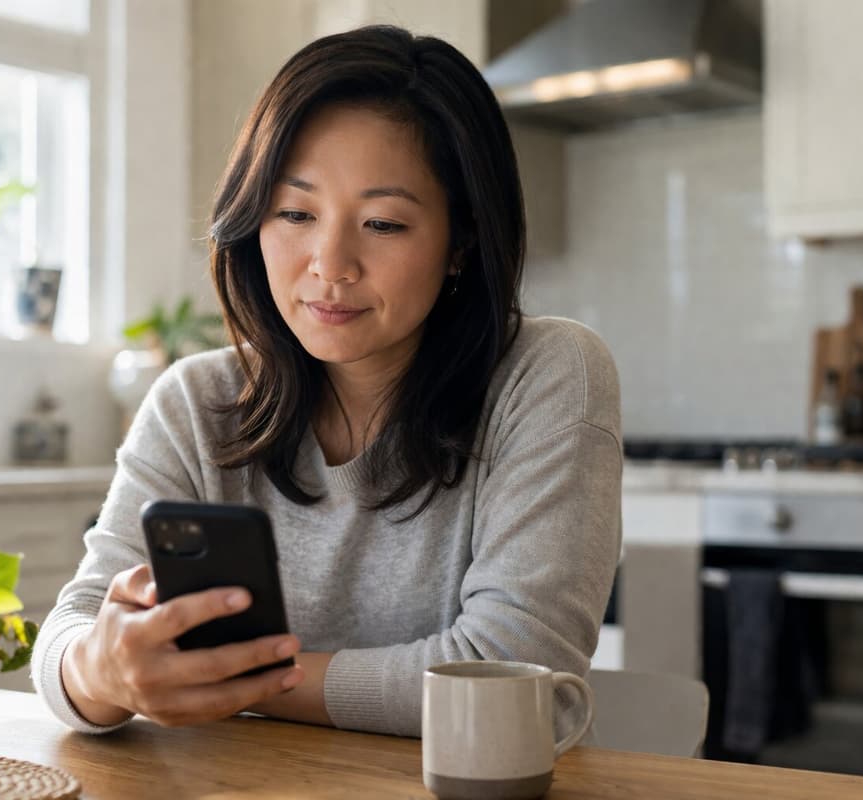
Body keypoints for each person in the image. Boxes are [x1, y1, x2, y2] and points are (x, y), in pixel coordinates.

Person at [31, 24, 622, 739]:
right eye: (296, 213)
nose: (330, 263)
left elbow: (515, 681)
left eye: (382, 222)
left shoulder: (549, 373)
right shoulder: (197, 401)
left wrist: (225, 676)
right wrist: (101, 672)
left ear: (461, 241)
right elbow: (73, 628)